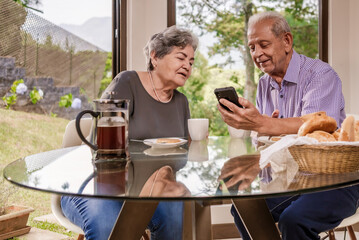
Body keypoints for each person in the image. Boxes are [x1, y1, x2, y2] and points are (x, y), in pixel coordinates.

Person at [217, 11, 359, 240]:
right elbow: (265, 139)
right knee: (245, 210)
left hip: (336, 179)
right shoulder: (264, 84)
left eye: (263, 44)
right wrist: (266, 126)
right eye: (252, 48)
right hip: (290, 179)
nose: (257, 54)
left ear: (286, 41)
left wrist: (266, 123)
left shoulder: (320, 74)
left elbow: (316, 125)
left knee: (294, 219)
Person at [61, 25, 198, 240]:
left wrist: (193, 146)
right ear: (155, 57)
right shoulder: (128, 82)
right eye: (181, 58)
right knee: (107, 224)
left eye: (191, 62)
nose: (187, 66)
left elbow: (180, 159)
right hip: (97, 181)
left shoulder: (181, 101)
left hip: (149, 188)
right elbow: (101, 143)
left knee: (176, 212)